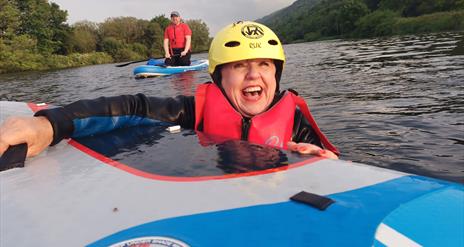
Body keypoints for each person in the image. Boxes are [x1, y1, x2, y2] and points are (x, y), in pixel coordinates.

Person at [0, 21, 339, 160]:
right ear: (219, 77)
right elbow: (131, 105)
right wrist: (49, 124)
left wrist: (327, 165)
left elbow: (339, 175)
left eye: (265, 65)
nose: (254, 75)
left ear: (276, 75)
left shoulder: (295, 123)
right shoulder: (193, 111)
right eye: (239, 65)